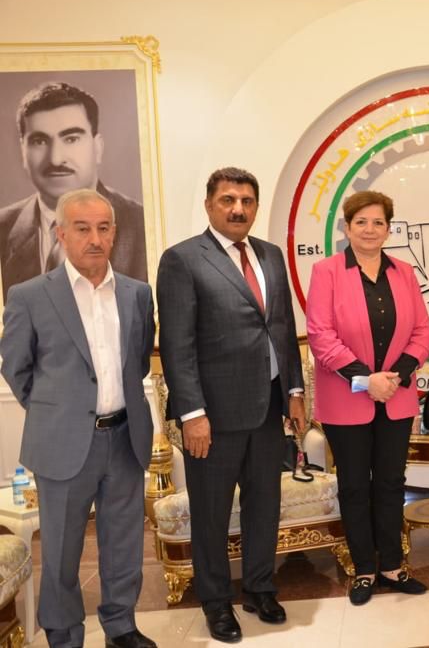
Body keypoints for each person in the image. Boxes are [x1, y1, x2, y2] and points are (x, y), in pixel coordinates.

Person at [0, 189, 156, 648]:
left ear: (115, 233)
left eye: (104, 228)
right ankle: (65, 636)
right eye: (83, 228)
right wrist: (57, 411)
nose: (95, 239)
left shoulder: (136, 294)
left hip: (125, 437)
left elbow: (138, 362)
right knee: (63, 552)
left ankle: (121, 626)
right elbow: (16, 367)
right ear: (61, 233)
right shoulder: (29, 296)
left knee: (124, 543)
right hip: (63, 443)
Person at [156, 167, 306, 643]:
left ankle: (260, 588)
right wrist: (192, 414)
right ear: (209, 205)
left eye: (246, 200)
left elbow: (283, 329)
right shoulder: (182, 260)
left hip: (267, 409)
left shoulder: (271, 255)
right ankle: (217, 602)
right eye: (228, 200)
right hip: (213, 418)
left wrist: (295, 392)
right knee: (211, 514)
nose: (238, 209)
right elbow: (176, 345)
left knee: (264, 506)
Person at [306, 191, 429, 606]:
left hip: (396, 396)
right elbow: (321, 335)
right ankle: (363, 569)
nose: (370, 229)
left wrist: (395, 378)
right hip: (347, 399)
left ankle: (392, 566)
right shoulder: (326, 271)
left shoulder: (404, 272)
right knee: (356, 485)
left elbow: (422, 332)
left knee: (392, 483)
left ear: (389, 230)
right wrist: (366, 380)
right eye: (361, 222)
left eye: (378, 222)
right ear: (346, 228)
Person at [0, 81, 147, 302]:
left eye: (71, 139)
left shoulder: (143, 225)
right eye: (39, 141)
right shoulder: (3, 228)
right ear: (23, 150)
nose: (55, 158)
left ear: (98, 147)